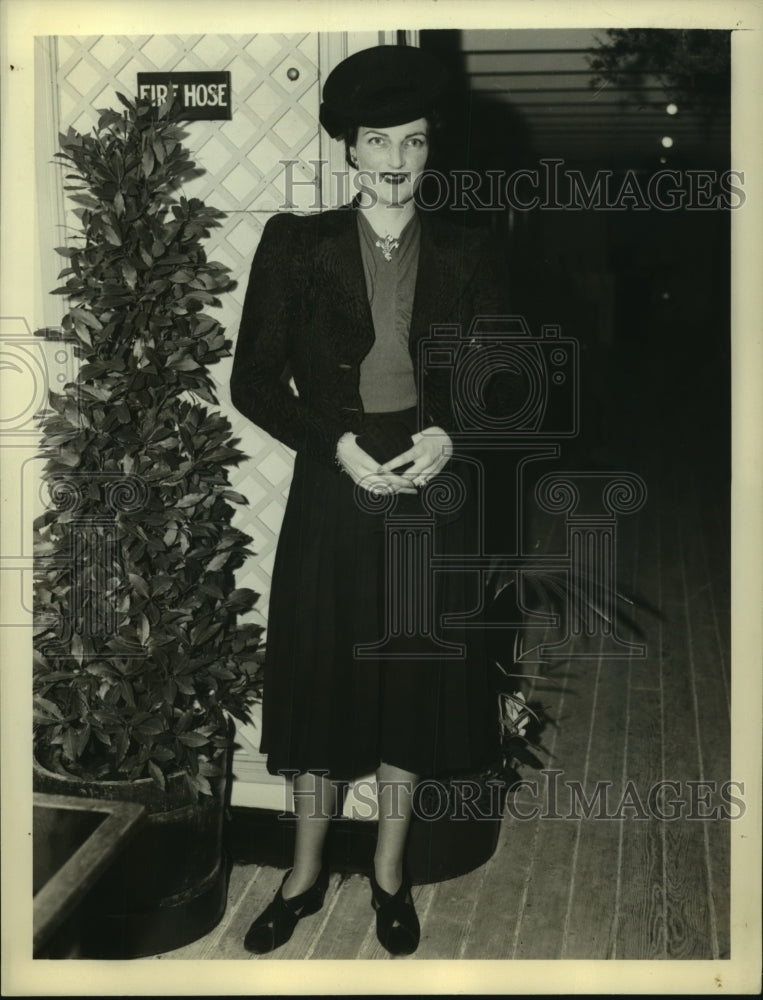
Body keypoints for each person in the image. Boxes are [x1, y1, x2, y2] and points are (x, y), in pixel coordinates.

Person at [230, 44, 511, 957]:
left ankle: (390, 875)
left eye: (414, 142)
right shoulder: (296, 244)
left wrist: (451, 434)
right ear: (350, 150)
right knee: (319, 676)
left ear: (432, 152)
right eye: (378, 141)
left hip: (431, 489)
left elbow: (505, 383)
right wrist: (338, 445)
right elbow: (253, 384)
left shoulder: (472, 250)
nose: (396, 161)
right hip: (333, 476)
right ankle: (304, 876)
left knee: (412, 680)